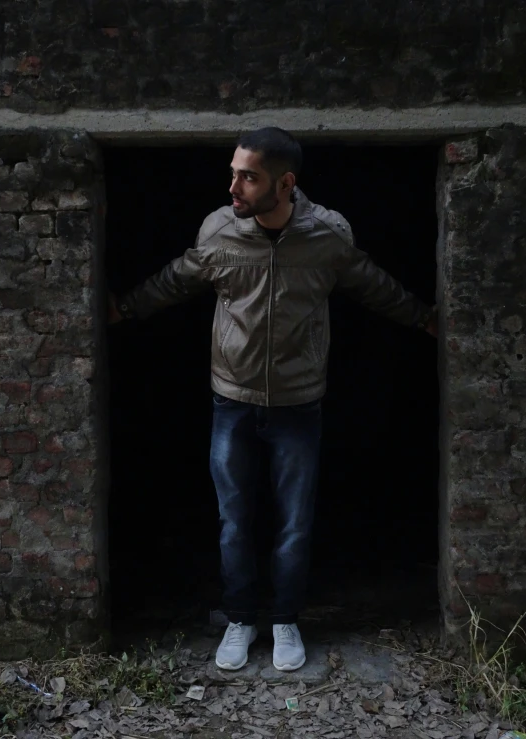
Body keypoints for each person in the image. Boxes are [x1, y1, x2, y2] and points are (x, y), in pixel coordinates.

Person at [109, 127, 437, 672]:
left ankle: (285, 620)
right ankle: (240, 618)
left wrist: (423, 317)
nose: (233, 185)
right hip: (230, 400)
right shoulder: (220, 229)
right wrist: (124, 308)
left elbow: (371, 283)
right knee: (234, 519)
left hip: (298, 403)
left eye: (248, 176)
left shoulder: (327, 236)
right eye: (234, 172)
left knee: (293, 521)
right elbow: (177, 278)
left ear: (286, 183)